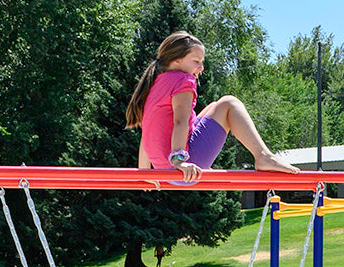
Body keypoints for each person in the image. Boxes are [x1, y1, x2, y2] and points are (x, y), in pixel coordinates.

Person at [125, 31, 299, 184]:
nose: (201, 68)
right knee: (229, 103)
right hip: (183, 166)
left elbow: (147, 129)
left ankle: (263, 156)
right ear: (176, 60)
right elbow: (180, 121)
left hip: (163, 169)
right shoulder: (183, 80)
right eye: (196, 61)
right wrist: (179, 161)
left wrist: (145, 172)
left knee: (213, 107)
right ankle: (263, 156)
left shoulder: (155, 83)